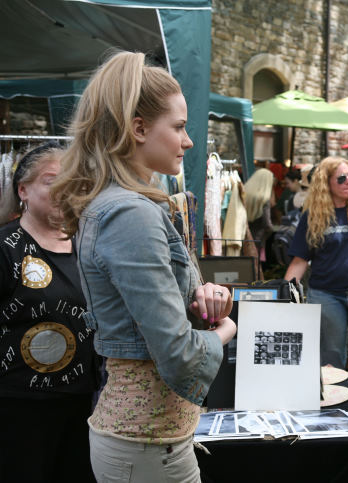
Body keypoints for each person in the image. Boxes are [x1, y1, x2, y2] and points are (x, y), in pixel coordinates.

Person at [51, 51, 237, 482]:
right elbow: (177, 352)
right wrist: (227, 331)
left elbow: (154, 316)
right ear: (138, 129)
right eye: (178, 127)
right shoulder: (129, 213)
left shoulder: (130, 206)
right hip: (148, 443)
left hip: (153, 438)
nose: (188, 141)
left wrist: (205, 300)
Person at [0, 142, 100, 482]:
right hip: (18, 409)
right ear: (23, 190)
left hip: (86, 405)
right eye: (51, 180)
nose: (63, 190)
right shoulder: (6, 249)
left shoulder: (89, 247)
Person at [284, 156, 348, 378]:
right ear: (326, 183)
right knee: (333, 358)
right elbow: (299, 260)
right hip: (327, 295)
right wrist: (283, 298)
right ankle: (338, 407)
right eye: (341, 178)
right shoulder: (313, 216)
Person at [245, 167, 275, 261]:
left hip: (242, 238)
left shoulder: (244, 194)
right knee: (254, 271)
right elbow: (267, 224)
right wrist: (268, 233)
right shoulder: (264, 200)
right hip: (258, 240)